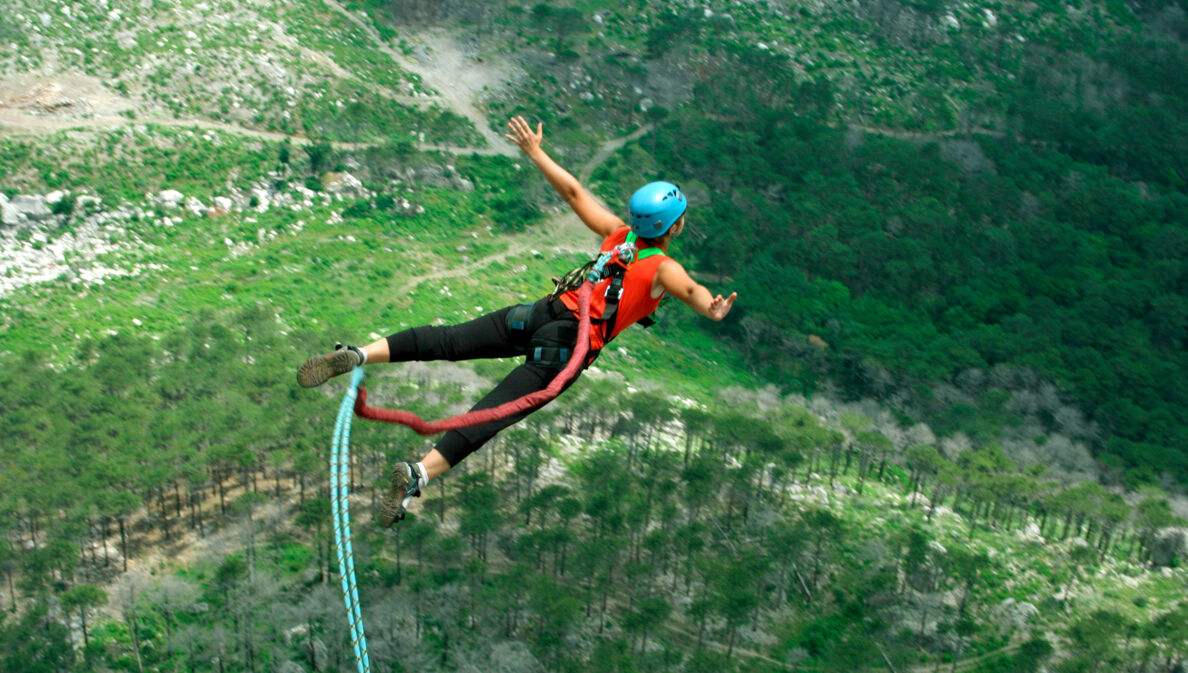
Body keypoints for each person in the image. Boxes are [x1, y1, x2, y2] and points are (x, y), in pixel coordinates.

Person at [297, 115, 737, 526]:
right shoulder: (662, 265)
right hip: (567, 348)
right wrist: (711, 310)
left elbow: (574, 194)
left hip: (542, 312)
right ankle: (418, 474)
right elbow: (691, 290)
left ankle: (359, 354)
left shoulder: (617, 234)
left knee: (448, 340)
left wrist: (535, 152)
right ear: (673, 227)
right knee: (489, 413)